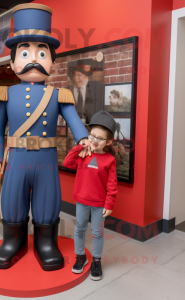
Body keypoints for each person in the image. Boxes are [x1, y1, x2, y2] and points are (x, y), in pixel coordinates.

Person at [0, 3, 91, 272]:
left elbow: (74, 122)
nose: (34, 59)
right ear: (12, 63)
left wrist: (83, 140)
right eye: (25, 53)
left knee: (48, 201)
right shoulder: (6, 94)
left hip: (45, 159)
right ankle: (13, 242)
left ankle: (46, 244)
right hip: (17, 159)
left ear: (52, 62)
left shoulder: (59, 95)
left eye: (42, 52)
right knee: (12, 200)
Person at [63, 110, 118, 280]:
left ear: (108, 141)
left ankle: (96, 260)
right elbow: (67, 162)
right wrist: (80, 146)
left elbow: (112, 185)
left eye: (100, 138)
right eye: (92, 135)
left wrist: (109, 204)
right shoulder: (83, 154)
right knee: (79, 228)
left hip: (99, 204)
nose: (94, 141)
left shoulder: (109, 160)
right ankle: (81, 257)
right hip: (81, 201)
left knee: (97, 232)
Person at [68, 59, 104, 123]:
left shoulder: (97, 88)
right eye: (74, 75)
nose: (76, 78)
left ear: (86, 76)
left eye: (79, 75)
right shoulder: (68, 90)